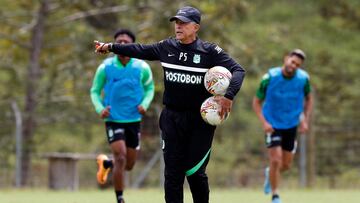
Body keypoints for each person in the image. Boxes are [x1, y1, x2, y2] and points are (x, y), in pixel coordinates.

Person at [94, 6, 245, 203]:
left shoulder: (209, 52)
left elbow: (238, 70)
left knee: (195, 172)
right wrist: (111, 47)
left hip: (200, 121)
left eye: (183, 23)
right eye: (177, 23)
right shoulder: (167, 47)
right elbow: (140, 49)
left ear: (196, 27)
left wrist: (229, 96)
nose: (178, 26)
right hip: (172, 119)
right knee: (172, 174)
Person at [90, 29, 155, 203]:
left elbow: (150, 89)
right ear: (114, 45)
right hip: (113, 119)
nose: (123, 44)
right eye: (119, 41)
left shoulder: (142, 67)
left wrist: (145, 104)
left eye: (127, 42)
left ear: (133, 45)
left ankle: (106, 164)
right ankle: (120, 198)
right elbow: (95, 91)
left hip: (134, 120)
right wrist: (99, 109)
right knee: (120, 156)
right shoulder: (105, 68)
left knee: (129, 164)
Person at [252, 49, 313, 203]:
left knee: (285, 166)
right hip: (272, 124)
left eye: (297, 65)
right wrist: (264, 123)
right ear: (286, 59)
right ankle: (275, 195)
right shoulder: (269, 78)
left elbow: (309, 99)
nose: (294, 65)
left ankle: (269, 174)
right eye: (292, 61)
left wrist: (304, 119)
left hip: (291, 124)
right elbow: (256, 102)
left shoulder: (303, 79)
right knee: (275, 160)